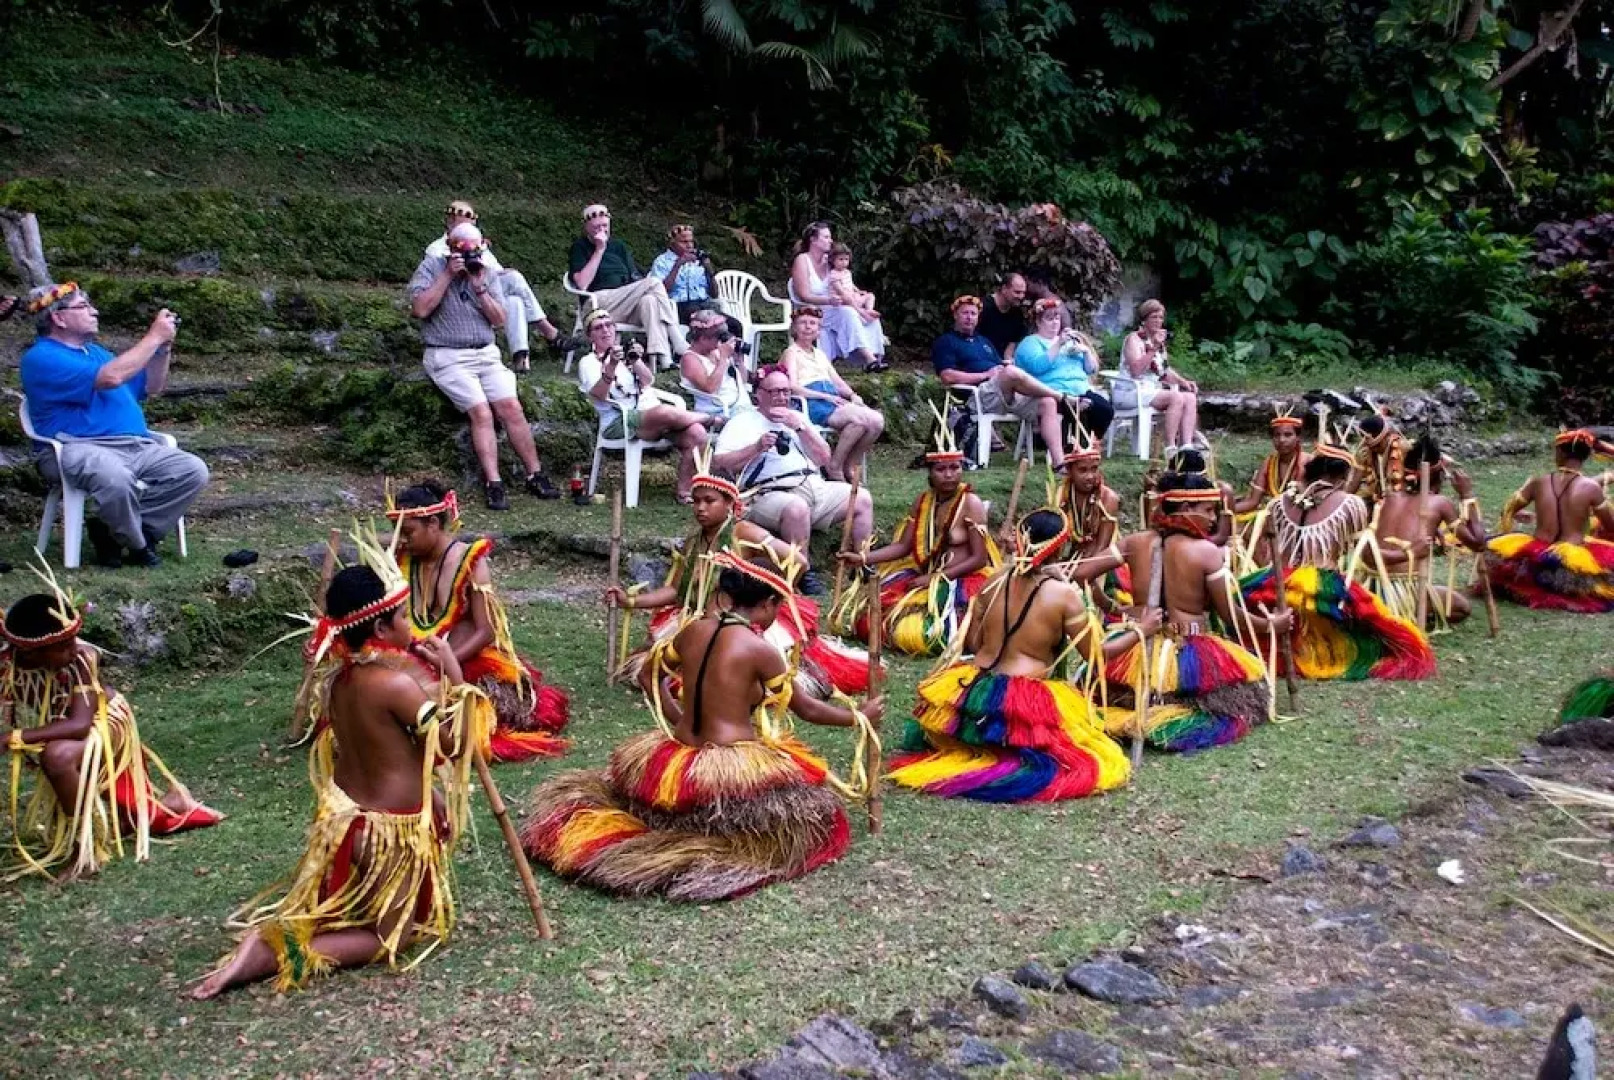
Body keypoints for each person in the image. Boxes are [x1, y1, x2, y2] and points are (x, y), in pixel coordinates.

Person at [192, 563, 490, 998]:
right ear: (382, 629)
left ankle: (303, 927)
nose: (412, 623)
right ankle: (273, 951)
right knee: (393, 939)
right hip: (389, 835)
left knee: (374, 916)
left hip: (344, 824)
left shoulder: (339, 681)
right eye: (404, 616)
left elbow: (391, 752)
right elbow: (453, 744)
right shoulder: (395, 685)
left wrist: (434, 797)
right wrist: (454, 675)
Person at [522, 550, 884, 901]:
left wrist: (679, 720)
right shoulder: (760, 650)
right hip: (727, 767)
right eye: (778, 606)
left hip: (677, 756)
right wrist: (859, 717)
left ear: (726, 597)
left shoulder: (694, 630)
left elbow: (650, 677)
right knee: (820, 820)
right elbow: (807, 710)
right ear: (768, 605)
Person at [888, 507, 1147, 802]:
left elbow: (972, 644)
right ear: (1059, 547)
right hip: (1020, 702)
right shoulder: (1064, 595)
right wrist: (1143, 630)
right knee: (1083, 756)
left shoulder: (993, 581)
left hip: (974, 689)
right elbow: (1096, 655)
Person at [606, 454, 874, 699]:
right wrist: (631, 601)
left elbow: (798, 562)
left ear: (730, 505)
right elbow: (675, 591)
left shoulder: (743, 532)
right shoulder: (693, 541)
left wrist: (768, 593)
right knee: (653, 668)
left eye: (709, 501)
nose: (700, 508)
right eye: (696, 501)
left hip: (739, 622)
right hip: (697, 623)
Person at [2, 585, 220, 881]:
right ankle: (169, 805)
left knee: (57, 757)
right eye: (61, 646)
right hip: (58, 725)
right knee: (124, 816)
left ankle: (86, 851)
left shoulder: (81, 658)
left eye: (72, 640)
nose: (73, 649)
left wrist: (17, 737)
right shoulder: (9, 665)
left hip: (103, 720)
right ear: (30, 651)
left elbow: (79, 725)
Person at [20, 283, 209, 568]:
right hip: (75, 447)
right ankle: (139, 547)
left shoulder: (98, 354)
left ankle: (115, 535)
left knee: (192, 470)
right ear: (58, 317)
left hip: (136, 446)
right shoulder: (42, 357)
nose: (94, 311)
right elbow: (110, 378)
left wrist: (162, 348)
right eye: (84, 306)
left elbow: (153, 386)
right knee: (115, 477)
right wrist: (153, 336)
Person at [389, 481, 569, 762]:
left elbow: (486, 630)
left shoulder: (470, 560)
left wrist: (447, 661)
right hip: (419, 654)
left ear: (433, 523)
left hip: (467, 658)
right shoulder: (403, 560)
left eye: (408, 532)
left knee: (479, 715)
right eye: (398, 533)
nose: (402, 540)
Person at [1107, 473, 1285, 751]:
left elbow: (1081, 573)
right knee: (1237, 705)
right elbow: (1231, 616)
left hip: (1140, 648)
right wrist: (1271, 624)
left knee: (1115, 697)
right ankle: (1159, 720)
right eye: (1208, 510)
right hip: (1189, 649)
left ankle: (1141, 715)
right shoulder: (1206, 551)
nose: (1214, 519)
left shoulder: (1134, 542)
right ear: (1186, 508)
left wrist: (1109, 606)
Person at [1241, 442, 1436, 680]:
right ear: (1342, 475)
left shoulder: (1280, 500)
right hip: (1322, 593)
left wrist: (1270, 570)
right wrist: (1411, 552)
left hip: (1278, 586)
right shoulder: (1350, 504)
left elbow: (1252, 536)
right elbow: (1367, 556)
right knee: (1388, 641)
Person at [408, 222, 561, 511]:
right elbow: (420, 309)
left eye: (474, 249)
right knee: (481, 411)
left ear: (483, 246)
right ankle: (494, 483)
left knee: (511, 408)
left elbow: (500, 319)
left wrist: (480, 290)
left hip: (486, 353)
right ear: (449, 247)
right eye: (460, 249)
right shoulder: (431, 266)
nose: (468, 255)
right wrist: (447, 276)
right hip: (447, 354)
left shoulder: (487, 272)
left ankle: (535, 474)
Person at [834, 426, 998, 656]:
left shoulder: (971, 503)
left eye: (955, 467)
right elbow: (903, 546)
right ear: (929, 473)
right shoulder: (923, 501)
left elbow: (980, 559)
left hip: (960, 580)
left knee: (924, 636)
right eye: (941, 469)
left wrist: (935, 578)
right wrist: (862, 557)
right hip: (923, 576)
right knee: (869, 623)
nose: (949, 474)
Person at [711, 366, 874, 593]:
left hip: (813, 484)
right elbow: (719, 463)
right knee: (796, 508)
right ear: (759, 393)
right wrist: (756, 447)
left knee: (862, 498)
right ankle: (803, 572)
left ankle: (862, 561)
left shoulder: (797, 417)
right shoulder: (742, 421)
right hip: (769, 491)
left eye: (786, 391)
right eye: (775, 391)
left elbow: (824, 458)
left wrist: (800, 428)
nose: (781, 397)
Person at [576, 309, 711, 503]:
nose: (605, 331)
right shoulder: (588, 362)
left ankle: (685, 491)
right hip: (620, 421)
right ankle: (707, 417)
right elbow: (599, 395)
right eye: (598, 328)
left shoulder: (624, 353)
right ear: (591, 335)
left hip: (653, 416)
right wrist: (611, 366)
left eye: (609, 325)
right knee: (666, 412)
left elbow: (648, 380)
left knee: (697, 433)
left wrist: (635, 360)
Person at [425, 201, 577, 372]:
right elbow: (441, 273)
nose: (470, 225)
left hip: (485, 289)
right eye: (463, 221)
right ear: (451, 221)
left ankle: (521, 357)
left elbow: (493, 271)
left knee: (514, 301)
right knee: (515, 278)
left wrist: (500, 272)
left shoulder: (477, 243)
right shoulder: (436, 248)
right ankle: (550, 333)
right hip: (459, 293)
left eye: (472, 221)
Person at [930, 295, 1076, 470]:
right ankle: (1062, 396)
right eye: (965, 313)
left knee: (1047, 402)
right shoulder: (946, 342)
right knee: (1013, 373)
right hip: (978, 397)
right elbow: (947, 376)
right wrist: (985, 374)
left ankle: (1059, 463)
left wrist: (1005, 366)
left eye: (973, 314)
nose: (969, 317)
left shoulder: (983, 341)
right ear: (955, 315)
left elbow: (1000, 366)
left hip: (1005, 393)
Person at [1485, 429, 1614, 612]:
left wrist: (1532, 517)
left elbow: (1507, 510)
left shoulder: (1538, 482)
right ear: (1586, 457)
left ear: (1560, 452)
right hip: (1571, 568)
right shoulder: (1591, 487)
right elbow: (1611, 526)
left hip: (1535, 560)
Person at [1364, 436, 1486, 627]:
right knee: (1461, 607)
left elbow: (1367, 554)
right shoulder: (1439, 503)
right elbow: (1478, 543)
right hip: (1402, 592)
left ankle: (1401, 616)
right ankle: (1406, 616)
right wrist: (1467, 495)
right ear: (1438, 475)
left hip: (1369, 589)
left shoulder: (1387, 498)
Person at [569, 204, 687, 370]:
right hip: (597, 302)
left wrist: (637, 286)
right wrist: (599, 249)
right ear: (587, 228)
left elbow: (634, 277)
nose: (602, 230)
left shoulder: (619, 246)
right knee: (654, 282)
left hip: (625, 302)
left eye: (605, 226)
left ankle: (664, 359)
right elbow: (582, 283)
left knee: (649, 301)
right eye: (597, 227)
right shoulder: (579, 247)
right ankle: (677, 338)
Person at [778, 306, 885, 481]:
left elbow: (837, 382)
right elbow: (791, 386)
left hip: (832, 399)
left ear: (819, 330)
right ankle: (834, 467)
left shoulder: (820, 354)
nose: (808, 327)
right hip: (811, 401)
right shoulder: (791, 353)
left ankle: (848, 464)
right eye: (803, 323)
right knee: (859, 421)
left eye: (813, 323)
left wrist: (852, 395)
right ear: (794, 328)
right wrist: (825, 396)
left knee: (877, 421)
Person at [788, 221, 887, 372]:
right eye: (826, 237)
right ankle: (869, 359)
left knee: (868, 314)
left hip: (835, 305)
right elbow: (803, 295)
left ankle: (874, 359)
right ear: (813, 240)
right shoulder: (802, 260)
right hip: (812, 308)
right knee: (847, 312)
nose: (831, 240)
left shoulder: (830, 260)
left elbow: (843, 280)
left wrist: (858, 292)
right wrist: (829, 300)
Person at [1012, 297, 1115, 439]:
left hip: (1080, 390)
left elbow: (1090, 370)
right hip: (1053, 391)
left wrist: (1085, 352)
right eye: (1049, 319)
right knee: (1068, 409)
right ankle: (1070, 447)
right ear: (1038, 322)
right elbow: (1037, 367)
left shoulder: (1069, 340)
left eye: (1057, 318)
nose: (1055, 323)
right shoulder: (1030, 343)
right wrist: (1058, 344)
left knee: (1104, 409)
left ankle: (1090, 443)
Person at [1120, 299, 1200, 457]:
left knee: (1189, 398)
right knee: (1175, 398)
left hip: (1151, 390)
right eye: (1154, 317)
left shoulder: (1158, 342)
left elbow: (1164, 372)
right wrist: (1153, 348)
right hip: (1131, 390)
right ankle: (1170, 448)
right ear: (1144, 319)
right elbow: (1136, 370)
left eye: (1161, 317)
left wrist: (1184, 382)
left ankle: (1187, 446)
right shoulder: (1134, 340)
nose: (1158, 321)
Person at [649, 223, 745, 336]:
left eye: (691, 241)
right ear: (673, 243)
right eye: (684, 242)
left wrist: (709, 271)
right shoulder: (662, 261)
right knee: (703, 318)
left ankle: (733, 352)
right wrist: (678, 265)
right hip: (677, 306)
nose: (689, 245)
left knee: (735, 325)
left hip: (704, 304)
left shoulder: (698, 259)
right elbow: (661, 290)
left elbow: (714, 294)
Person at [1056, 429, 1125, 586]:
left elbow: (1102, 547)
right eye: (1082, 470)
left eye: (1094, 469)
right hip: (1071, 558)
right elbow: (1054, 538)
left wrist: (1076, 572)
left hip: (1100, 563)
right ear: (1069, 471)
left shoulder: (1108, 499)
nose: (1090, 476)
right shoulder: (1061, 495)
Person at [678, 308, 750, 429]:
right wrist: (723, 359)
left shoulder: (717, 351)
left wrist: (738, 360)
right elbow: (710, 388)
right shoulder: (690, 359)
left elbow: (742, 381)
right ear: (702, 338)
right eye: (717, 337)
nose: (719, 341)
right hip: (718, 410)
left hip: (740, 405)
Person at [1349, 414, 1410, 509]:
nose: (1373, 449)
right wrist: (1359, 466)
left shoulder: (1403, 448)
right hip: (1378, 503)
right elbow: (1351, 490)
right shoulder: (1366, 453)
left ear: (1386, 436)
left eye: (1377, 446)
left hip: (1403, 504)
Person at [977, 272, 1029, 361]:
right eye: (1017, 292)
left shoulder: (1017, 313)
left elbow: (1012, 343)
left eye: (1023, 293)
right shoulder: (982, 307)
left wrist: (1007, 361)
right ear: (1004, 289)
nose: (1021, 297)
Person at [824, 243, 879, 322]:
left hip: (853, 296)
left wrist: (858, 291)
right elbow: (840, 290)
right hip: (842, 299)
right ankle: (860, 312)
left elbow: (851, 284)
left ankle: (869, 310)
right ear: (833, 260)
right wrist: (850, 295)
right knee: (847, 297)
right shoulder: (834, 274)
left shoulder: (847, 272)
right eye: (841, 259)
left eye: (846, 259)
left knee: (870, 295)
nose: (844, 262)